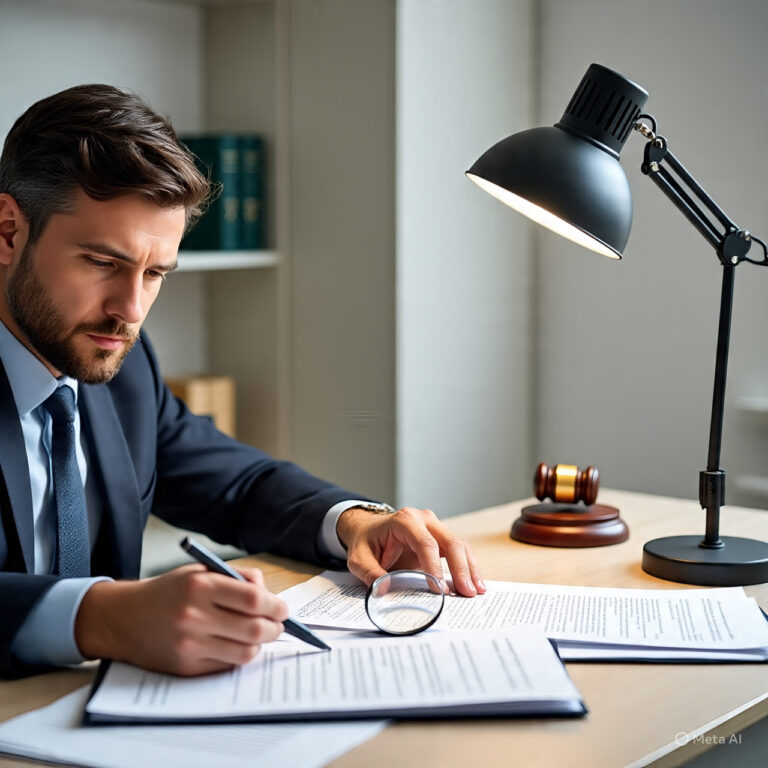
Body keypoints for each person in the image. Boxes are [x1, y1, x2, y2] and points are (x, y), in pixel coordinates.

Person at [0, 84, 485, 680]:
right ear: (7, 231)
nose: (130, 309)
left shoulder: (118, 363)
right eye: (103, 263)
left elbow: (238, 483)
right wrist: (100, 619)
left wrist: (356, 522)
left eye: (155, 273)